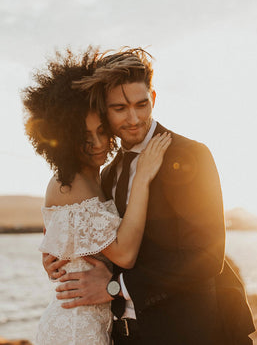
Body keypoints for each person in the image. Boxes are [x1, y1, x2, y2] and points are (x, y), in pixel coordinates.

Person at [44, 48, 255, 344]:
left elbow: (207, 257)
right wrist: (62, 253)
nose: (133, 118)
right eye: (119, 108)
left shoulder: (190, 154)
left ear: (153, 99)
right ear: (104, 110)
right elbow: (109, 242)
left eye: (142, 105)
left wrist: (115, 287)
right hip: (124, 335)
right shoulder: (107, 173)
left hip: (189, 332)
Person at [22, 48, 171, 345]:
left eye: (101, 130)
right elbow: (125, 254)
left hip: (99, 325)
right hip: (76, 329)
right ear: (64, 139)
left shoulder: (98, 176)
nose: (98, 144)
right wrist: (142, 179)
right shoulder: (72, 183)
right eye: (84, 138)